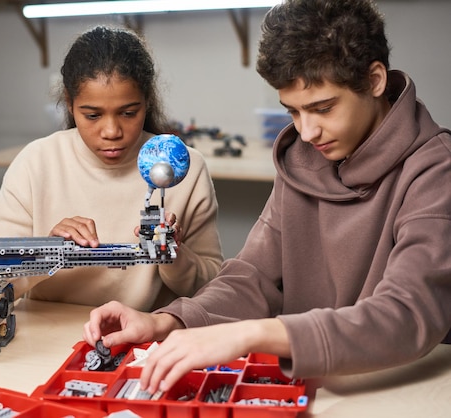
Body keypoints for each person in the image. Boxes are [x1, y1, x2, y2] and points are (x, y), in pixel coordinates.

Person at [83, 0, 451, 395]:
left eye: (323, 108)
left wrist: (253, 335)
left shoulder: (435, 169)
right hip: (308, 388)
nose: (307, 132)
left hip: (401, 392)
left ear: (375, 80)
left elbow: (406, 314)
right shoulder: (301, 159)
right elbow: (251, 276)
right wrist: (169, 321)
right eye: (292, 111)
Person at [0, 26, 223, 311]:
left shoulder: (183, 168)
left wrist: (174, 255)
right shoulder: (36, 163)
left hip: (141, 339)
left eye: (128, 113)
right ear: (70, 105)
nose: (111, 131)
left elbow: (214, 289)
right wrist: (46, 250)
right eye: (93, 115)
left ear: (148, 103)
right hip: (44, 340)